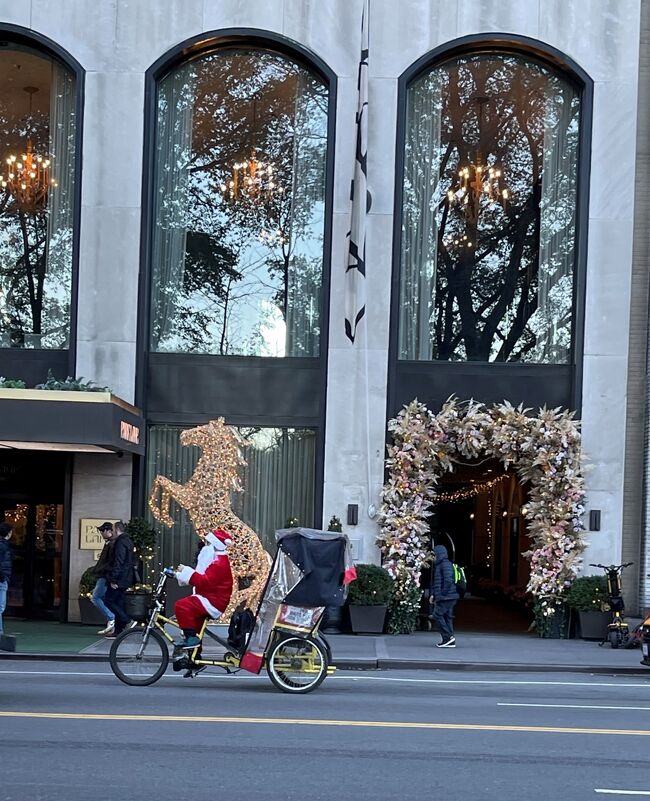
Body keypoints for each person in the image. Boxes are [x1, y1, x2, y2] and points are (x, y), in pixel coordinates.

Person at [173, 529, 233, 649]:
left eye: (208, 543)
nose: (205, 546)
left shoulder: (218, 564)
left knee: (181, 605)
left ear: (214, 545)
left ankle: (191, 639)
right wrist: (178, 574)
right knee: (195, 625)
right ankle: (194, 658)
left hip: (213, 602)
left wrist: (185, 571)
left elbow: (203, 581)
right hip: (209, 598)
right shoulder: (215, 560)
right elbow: (201, 577)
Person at [104, 520, 136, 637]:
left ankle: (127, 620)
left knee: (109, 600)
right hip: (126, 577)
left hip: (120, 578)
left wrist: (114, 579)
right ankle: (119, 630)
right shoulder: (128, 541)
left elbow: (119, 561)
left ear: (117, 530)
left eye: (112, 530)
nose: (111, 532)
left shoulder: (120, 542)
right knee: (119, 602)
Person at [429, 543, 459, 648]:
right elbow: (437, 582)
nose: (433, 557)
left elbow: (448, 580)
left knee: (437, 615)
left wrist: (441, 594)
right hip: (449, 596)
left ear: (439, 554)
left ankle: (448, 637)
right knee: (447, 617)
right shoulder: (441, 564)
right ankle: (450, 640)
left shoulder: (444, 564)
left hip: (447, 597)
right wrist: (434, 594)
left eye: (434, 554)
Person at [91, 522, 116, 636]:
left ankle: (111, 618)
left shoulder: (111, 544)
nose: (101, 533)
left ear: (108, 531)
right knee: (106, 599)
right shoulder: (110, 543)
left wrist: (100, 570)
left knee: (95, 597)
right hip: (105, 575)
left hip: (105, 576)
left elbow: (110, 562)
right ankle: (112, 623)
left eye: (102, 531)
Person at [0, 522, 13, 635]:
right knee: (0, 606)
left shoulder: (4, 544)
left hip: (3, 577)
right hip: (1, 579)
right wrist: (3, 577)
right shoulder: (3, 545)